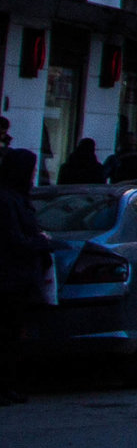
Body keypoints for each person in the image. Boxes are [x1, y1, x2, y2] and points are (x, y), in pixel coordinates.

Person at [0, 148, 47, 404]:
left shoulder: (16, 198)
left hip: (16, 278)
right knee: (7, 333)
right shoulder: (8, 201)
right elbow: (14, 239)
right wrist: (40, 243)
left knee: (12, 333)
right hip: (10, 279)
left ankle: (9, 385)